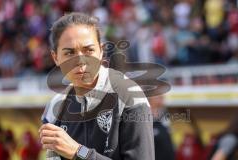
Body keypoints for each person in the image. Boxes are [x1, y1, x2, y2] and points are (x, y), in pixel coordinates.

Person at [39, 12, 155, 160]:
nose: (80, 60)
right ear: (55, 57)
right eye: (69, 53)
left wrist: (78, 152)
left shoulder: (129, 96)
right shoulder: (54, 108)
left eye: (89, 50)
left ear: (101, 51)